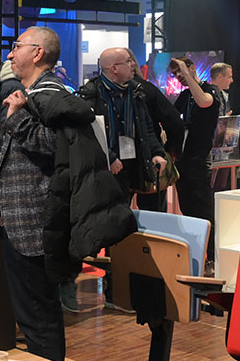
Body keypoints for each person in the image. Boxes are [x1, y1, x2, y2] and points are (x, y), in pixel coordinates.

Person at [0, 26, 69, 361]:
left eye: (17, 46)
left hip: (31, 224)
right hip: (19, 221)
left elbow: (54, 146)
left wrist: (15, 120)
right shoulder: (30, 94)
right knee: (33, 315)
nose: (11, 54)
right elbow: (28, 148)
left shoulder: (49, 94)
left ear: (38, 53)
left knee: (38, 317)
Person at [79, 48, 167, 197]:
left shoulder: (136, 92)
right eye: (128, 61)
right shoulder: (91, 96)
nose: (133, 64)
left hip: (132, 167)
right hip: (103, 172)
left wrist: (156, 153)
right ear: (114, 68)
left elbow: (147, 128)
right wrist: (110, 157)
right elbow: (86, 135)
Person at [170, 57, 223, 269]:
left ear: (192, 68)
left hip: (200, 159)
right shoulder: (184, 96)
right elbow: (171, 117)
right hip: (182, 159)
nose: (179, 77)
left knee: (203, 209)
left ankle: (211, 257)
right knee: (186, 207)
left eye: (181, 71)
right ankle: (193, 252)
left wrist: (187, 73)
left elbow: (203, 102)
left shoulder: (210, 90)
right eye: (175, 74)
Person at [125, 49, 185, 213]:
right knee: (154, 215)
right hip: (152, 156)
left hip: (129, 159)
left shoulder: (105, 91)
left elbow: (175, 123)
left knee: (120, 215)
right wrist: (170, 151)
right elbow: (175, 123)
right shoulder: (148, 89)